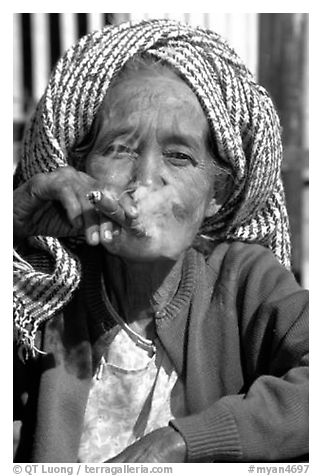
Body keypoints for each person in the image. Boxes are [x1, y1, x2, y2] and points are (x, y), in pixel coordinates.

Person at [13, 19, 308, 463]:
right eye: (120, 149)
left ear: (217, 195)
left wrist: (184, 442)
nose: (146, 180)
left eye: (179, 156)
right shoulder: (43, 292)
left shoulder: (247, 282)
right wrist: (12, 225)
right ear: (80, 167)